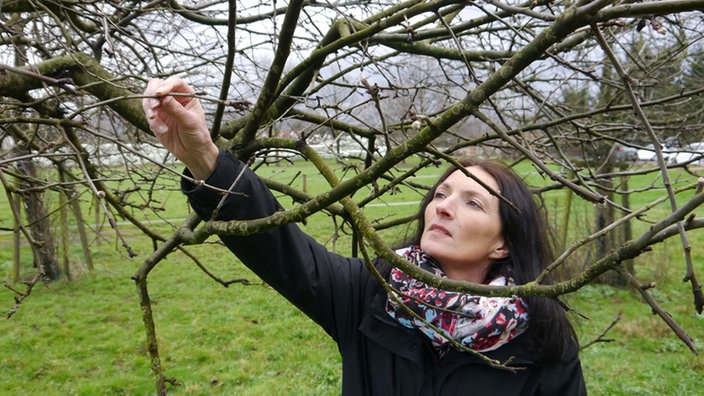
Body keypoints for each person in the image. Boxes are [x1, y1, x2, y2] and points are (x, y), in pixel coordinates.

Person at [142, 76, 587, 395]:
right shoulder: (371, 292)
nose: (443, 204)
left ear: (503, 243)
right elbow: (278, 248)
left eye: (473, 202)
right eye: (442, 192)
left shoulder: (539, 341)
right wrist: (205, 157)